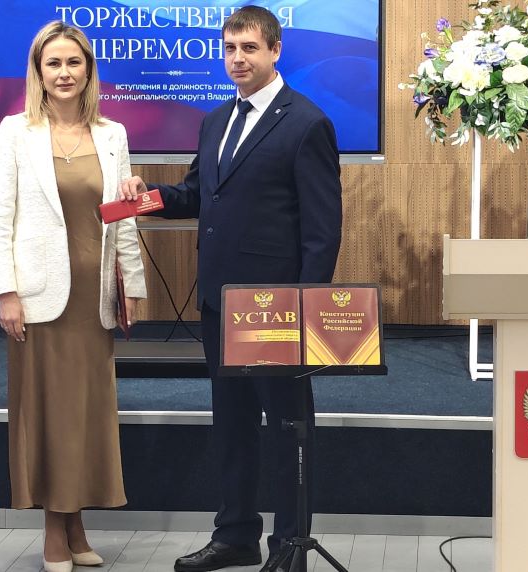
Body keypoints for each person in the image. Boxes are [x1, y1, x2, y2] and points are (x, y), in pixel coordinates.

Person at [119, 6, 342, 572]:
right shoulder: (216, 120)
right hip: (221, 304)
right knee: (233, 427)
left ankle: (289, 547)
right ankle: (236, 536)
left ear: (275, 50)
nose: (237, 59)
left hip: (276, 311)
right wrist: (147, 198)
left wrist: (305, 312)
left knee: (288, 430)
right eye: (229, 49)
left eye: (248, 48)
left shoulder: (307, 123)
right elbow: (198, 195)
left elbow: (322, 233)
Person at [0, 21, 147, 572]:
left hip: (93, 300)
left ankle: (76, 527)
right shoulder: (14, 132)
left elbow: (122, 218)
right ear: (38, 71)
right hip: (37, 300)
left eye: (73, 62)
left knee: (84, 415)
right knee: (48, 416)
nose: (64, 73)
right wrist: (5, 292)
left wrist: (132, 287)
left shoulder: (113, 134)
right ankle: (54, 531)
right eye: (53, 63)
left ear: (88, 70)